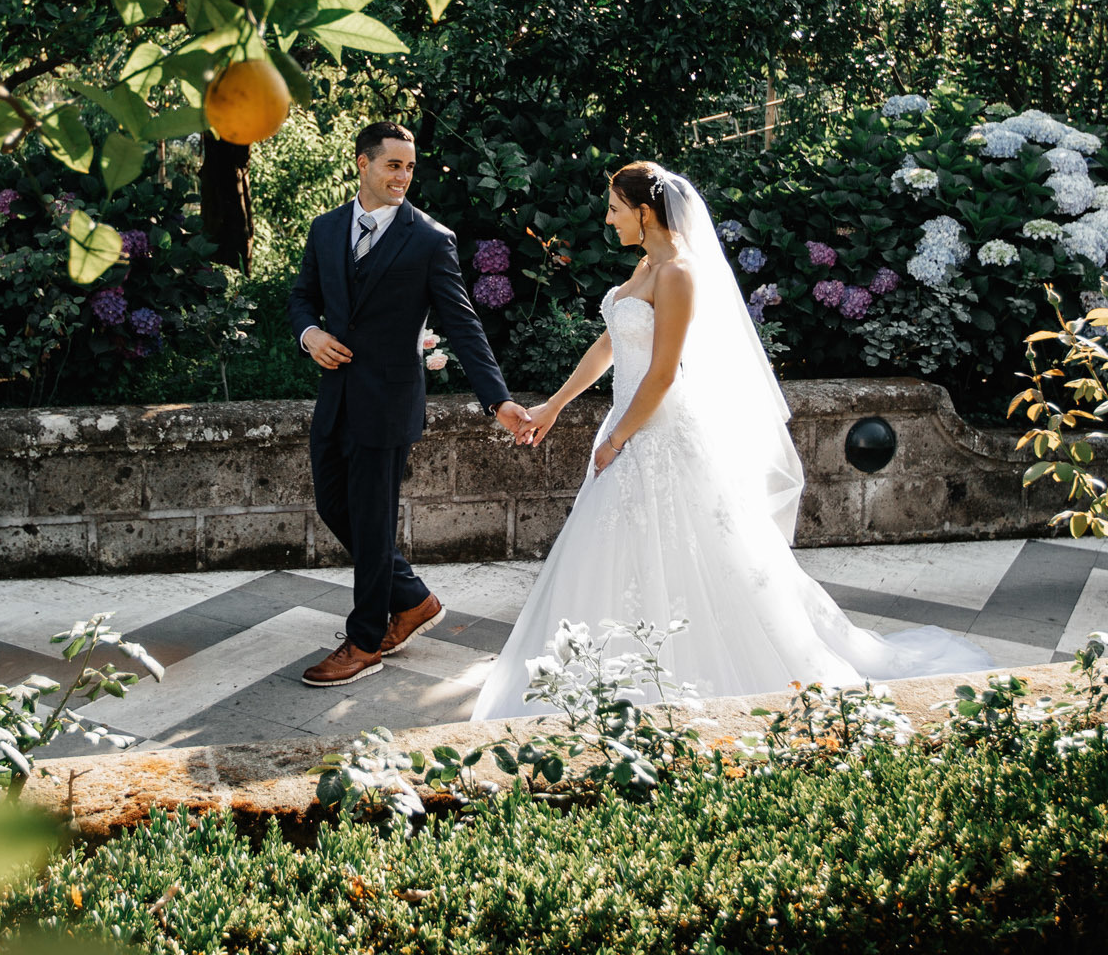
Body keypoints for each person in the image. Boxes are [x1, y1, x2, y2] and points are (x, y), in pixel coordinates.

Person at [471, 160, 990, 720]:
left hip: (658, 432)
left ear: (645, 213)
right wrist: (555, 405)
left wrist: (617, 438)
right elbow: (609, 345)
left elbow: (664, 373)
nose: (607, 218)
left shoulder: (679, 274)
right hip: (627, 430)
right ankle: (607, 676)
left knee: (697, 557)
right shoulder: (647, 265)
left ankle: (684, 679)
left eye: (615, 209)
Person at [288, 122, 531, 687]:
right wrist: (310, 336)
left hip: (389, 403)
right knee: (333, 506)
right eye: (392, 165)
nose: (402, 176)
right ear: (362, 164)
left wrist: (498, 400)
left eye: (409, 167)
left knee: (372, 523)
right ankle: (414, 599)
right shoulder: (326, 230)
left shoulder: (429, 239)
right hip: (336, 398)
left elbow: (464, 326)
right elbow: (303, 297)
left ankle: (366, 639)